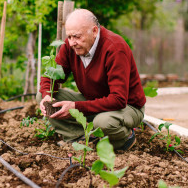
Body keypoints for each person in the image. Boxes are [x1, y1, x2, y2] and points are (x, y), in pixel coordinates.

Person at [37, 9, 146, 150]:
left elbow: (118, 99)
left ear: (94, 31)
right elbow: (51, 77)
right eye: (69, 37)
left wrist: (75, 106)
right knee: (45, 95)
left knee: (104, 122)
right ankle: (80, 137)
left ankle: (125, 139)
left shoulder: (114, 48)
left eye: (76, 37)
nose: (71, 43)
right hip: (93, 101)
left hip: (127, 106)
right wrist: (47, 96)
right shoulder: (71, 47)